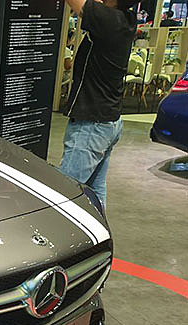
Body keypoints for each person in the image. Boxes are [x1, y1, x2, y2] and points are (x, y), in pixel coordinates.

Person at [61, 0, 138, 206]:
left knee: (64, 193)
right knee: (94, 190)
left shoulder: (110, 20)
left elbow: (78, 4)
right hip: (107, 121)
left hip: (92, 125)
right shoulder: (125, 19)